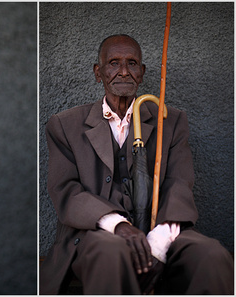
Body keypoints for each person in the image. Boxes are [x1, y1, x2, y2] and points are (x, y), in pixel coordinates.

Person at [40, 34, 233, 294]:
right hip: (95, 234)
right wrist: (118, 225)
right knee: (110, 254)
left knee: (211, 256)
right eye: (113, 63)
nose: (123, 71)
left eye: (132, 63)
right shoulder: (64, 125)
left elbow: (179, 184)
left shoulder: (171, 120)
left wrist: (160, 242)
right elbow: (67, 192)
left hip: (162, 229)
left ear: (141, 73)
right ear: (98, 72)